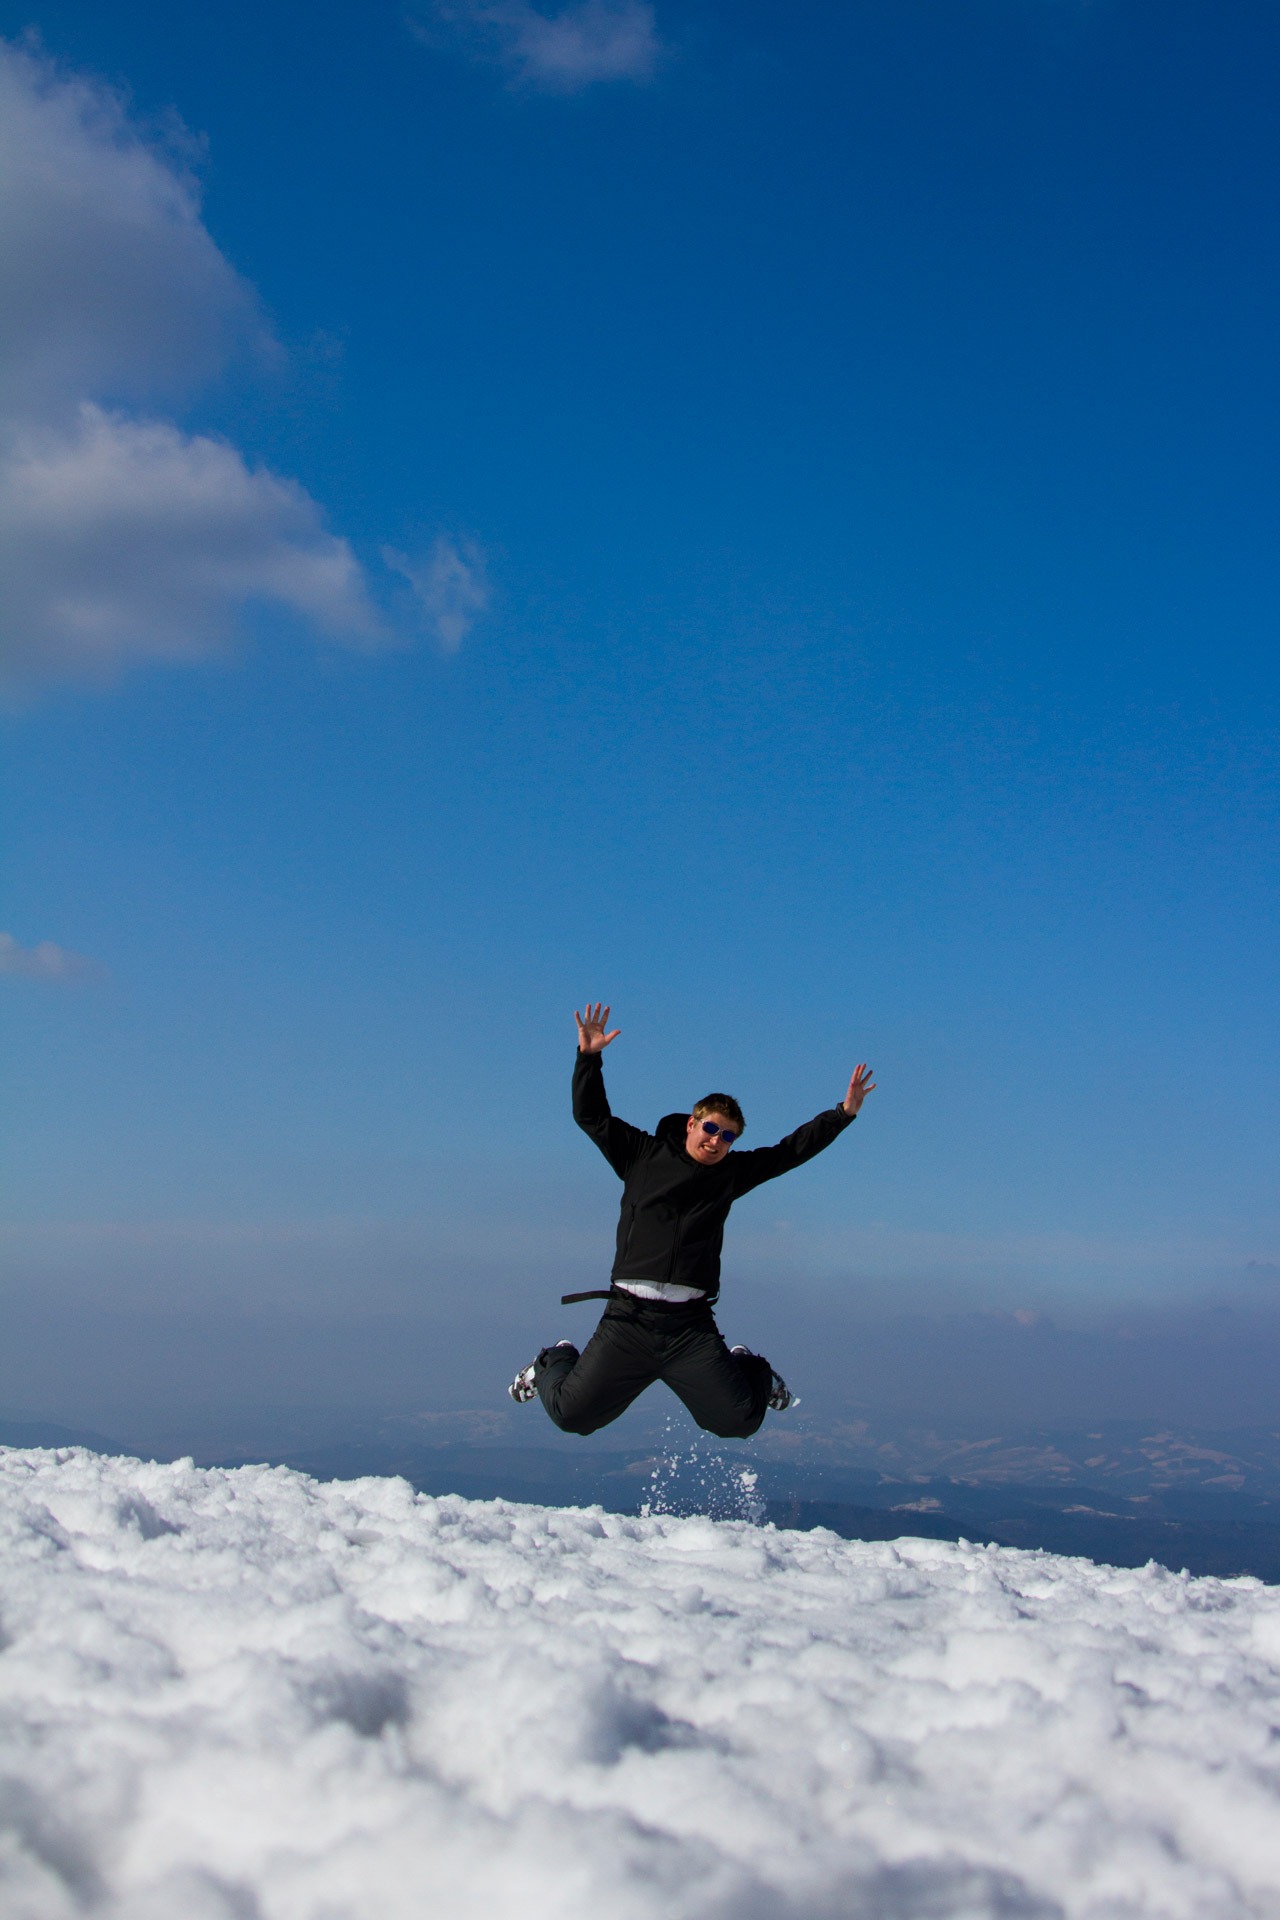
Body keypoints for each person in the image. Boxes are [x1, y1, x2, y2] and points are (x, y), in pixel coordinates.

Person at [508, 1002, 875, 1439]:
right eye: (711, 1129)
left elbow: (788, 1152)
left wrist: (843, 1114)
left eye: (728, 1136)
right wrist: (589, 1058)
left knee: (738, 1421)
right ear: (690, 1123)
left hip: (689, 1328)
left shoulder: (731, 1175)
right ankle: (554, 1361)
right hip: (629, 1320)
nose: (717, 1140)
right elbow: (591, 1116)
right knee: (572, 1415)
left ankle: (751, 1368)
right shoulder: (641, 1154)